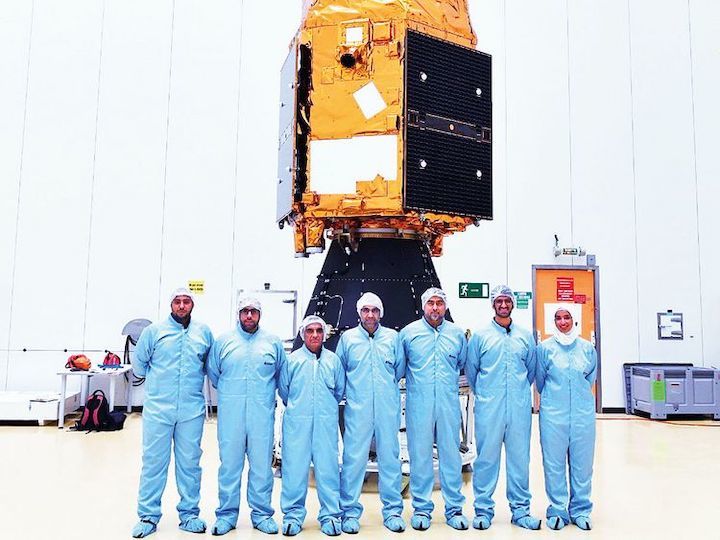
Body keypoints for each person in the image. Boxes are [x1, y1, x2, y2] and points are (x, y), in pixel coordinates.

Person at [131, 287, 214, 538]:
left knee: (190, 464)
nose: (181, 306)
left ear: (192, 305)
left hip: (191, 410)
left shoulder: (203, 333)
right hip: (158, 410)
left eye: (186, 301)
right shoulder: (153, 332)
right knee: (154, 463)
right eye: (177, 302)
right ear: (170, 305)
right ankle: (147, 516)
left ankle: (189, 515)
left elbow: (209, 366)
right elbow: (139, 366)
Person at [206, 297, 287, 535]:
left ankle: (262, 514)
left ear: (260, 314)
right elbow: (214, 373)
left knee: (261, 467)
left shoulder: (272, 343)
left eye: (253, 311)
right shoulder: (224, 342)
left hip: (262, 416)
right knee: (230, 466)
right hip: (231, 416)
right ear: (238, 314)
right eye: (244, 311)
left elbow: (281, 376)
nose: (249, 316)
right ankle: (227, 515)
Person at [465, 285, 541, 531]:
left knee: (520, 460)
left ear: (513, 304)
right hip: (489, 408)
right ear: (493, 304)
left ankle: (520, 511)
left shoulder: (524, 336)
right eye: (499, 301)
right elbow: (472, 370)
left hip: (518, 407)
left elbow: (530, 370)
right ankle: (483, 510)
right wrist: (488, 394)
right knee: (486, 459)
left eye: (507, 300)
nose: (503, 304)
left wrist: (516, 392)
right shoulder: (480, 336)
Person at [398, 287, 469, 531]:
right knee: (420, 457)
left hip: (448, 404)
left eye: (440, 303)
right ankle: (421, 507)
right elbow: (400, 367)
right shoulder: (409, 334)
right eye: (431, 303)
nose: (435, 308)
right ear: (423, 306)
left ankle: (454, 509)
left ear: (445, 307)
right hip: (419, 404)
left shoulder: (457, 334)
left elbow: (461, 364)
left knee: (450, 455)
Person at [337, 292, 406, 534]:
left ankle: (393, 511)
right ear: (358, 313)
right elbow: (340, 372)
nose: (370, 315)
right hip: (358, 410)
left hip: (387, 409)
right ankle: (349, 512)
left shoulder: (392, 338)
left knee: (390, 459)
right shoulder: (347, 339)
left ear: (381, 313)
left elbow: (398, 370)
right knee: (354, 461)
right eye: (365, 310)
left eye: (374, 310)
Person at [279, 316, 346, 536]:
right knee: (294, 470)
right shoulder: (292, 361)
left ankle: (330, 515)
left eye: (319, 330)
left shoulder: (334, 361)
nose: (315, 335)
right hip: (297, 425)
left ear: (325, 334)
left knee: (328, 471)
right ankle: (293, 516)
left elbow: (338, 392)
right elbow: (285, 391)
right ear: (303, 333)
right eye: (310, 331)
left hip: (325, 424)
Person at [536, 305, 597, 531]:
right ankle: (558, 509)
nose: (563, 322)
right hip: (553, 415)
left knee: (582, 465)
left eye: (567, 317)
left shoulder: (588, 349)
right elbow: (540, 381)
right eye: (558, 318)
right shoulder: (544, 349)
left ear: (575, 320)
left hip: (582, 416)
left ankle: (581, 510)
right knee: (554, 464)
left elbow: (590, 378)